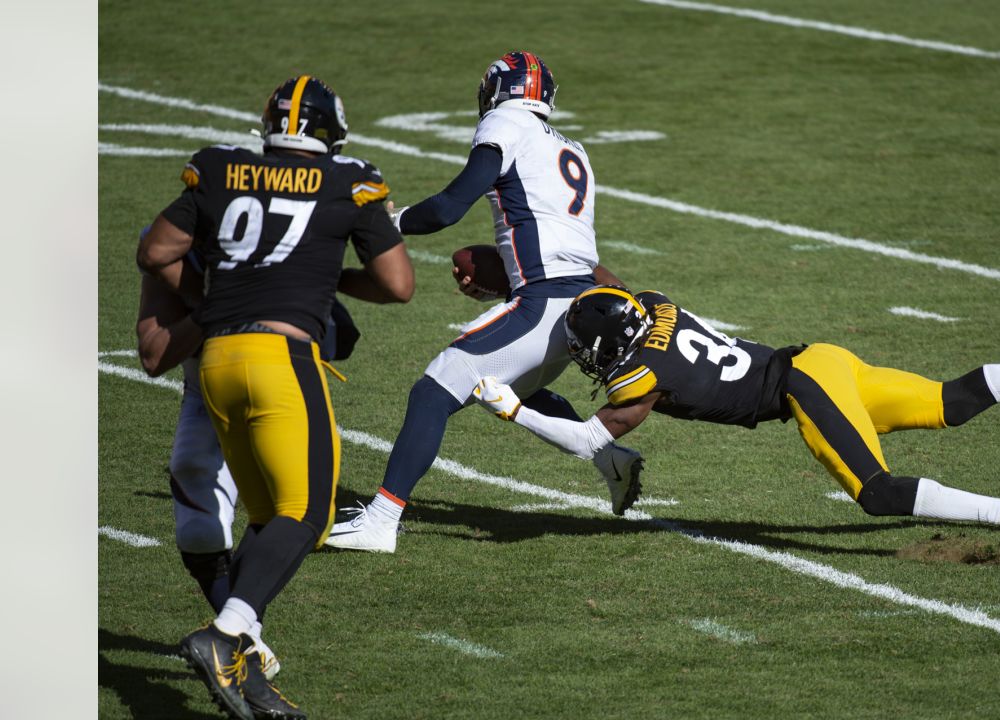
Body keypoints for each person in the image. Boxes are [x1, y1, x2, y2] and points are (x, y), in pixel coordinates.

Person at [472, 286, 1000, 569]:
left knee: (877, 492)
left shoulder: (638, 378)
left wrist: (510, 407)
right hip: (822, 360)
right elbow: (606, 285)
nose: (587, 360)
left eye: (591, 348)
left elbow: (588, 440)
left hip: (801, 387)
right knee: (949, 402)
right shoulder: (651, 304)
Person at [136, 75, 414, 720]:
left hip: (217, 361)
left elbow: (156, 250)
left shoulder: (219, 168)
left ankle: (246, 658)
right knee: (309, 513)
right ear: (331, 133)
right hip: (280, 359)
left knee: (265, 521)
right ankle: (227, 634)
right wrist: (315, 271)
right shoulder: (350, 179)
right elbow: (397, 285)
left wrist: (230, 278)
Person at [325, 51, 643, 554]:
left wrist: (388, 222)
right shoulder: (572, 148)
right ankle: (612, 459)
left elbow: (451, 206)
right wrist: (505, 281)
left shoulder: (505, 121)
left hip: (546, 300)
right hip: (578, 300)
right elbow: (552, 234)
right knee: (516, 384)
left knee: (434, 388)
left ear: (499, 90)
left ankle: (381, 520)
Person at [136, 243, 362, 682]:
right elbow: (152, 355)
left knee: (300, 510)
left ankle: (234, 635)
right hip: (206, 386)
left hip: (278, 379)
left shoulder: (281, 239)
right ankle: (243, 639)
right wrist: (213, 310)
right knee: (200, 527)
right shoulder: (168, 250)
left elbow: (345, 336)